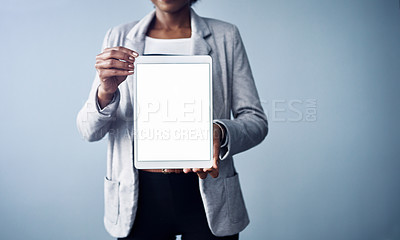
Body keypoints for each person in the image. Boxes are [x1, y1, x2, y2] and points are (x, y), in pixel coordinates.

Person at [77, 0, 268, 239]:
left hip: (208, 189)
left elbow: (256, 120)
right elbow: (88, 131)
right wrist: (105, 91)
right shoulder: (119, 36)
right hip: (138, 195)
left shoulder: (225, 35)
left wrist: (220, 131)